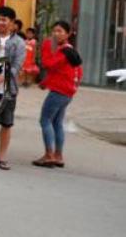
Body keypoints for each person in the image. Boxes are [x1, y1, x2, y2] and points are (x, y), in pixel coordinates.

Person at [33, 21, 83, 168]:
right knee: (57, 123)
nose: (56, 34)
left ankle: (49, 155)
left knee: (45, 120)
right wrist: (46, 82)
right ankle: (58, 156)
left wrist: (47, 47)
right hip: (67, 92)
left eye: (60, 31)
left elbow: (48, 64)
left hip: (59, 91)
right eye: (54, 31)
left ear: (67, 34)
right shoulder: (70, 50)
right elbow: (74, 72)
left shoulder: (63, 51)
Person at [0, 6, 25, 170]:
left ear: (12, 24)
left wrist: (2, 78)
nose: (0, 23)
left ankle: (2, 157)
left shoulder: (19, 43)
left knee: (6, 123)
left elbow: (17, 67)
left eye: (4, 20)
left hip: (7, 88)